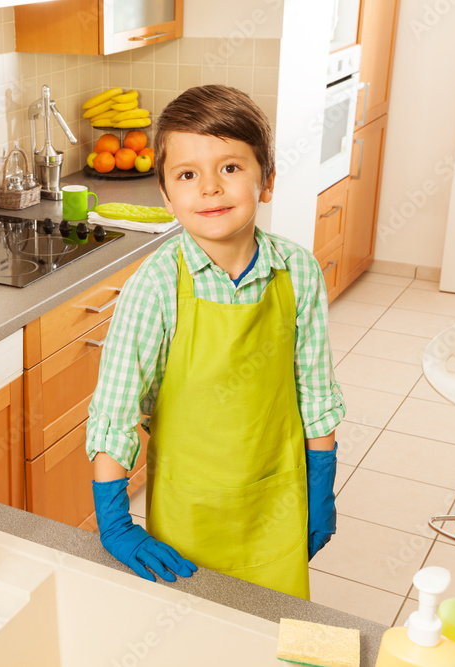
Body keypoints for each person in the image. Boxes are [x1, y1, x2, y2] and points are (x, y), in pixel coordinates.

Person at [86, 85, 345, 600]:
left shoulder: (297, 272)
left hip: (277, 501)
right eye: (187, 174)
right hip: (189, 513)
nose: (209, 188)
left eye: (230, 168)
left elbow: (315, 395)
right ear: (166, 194)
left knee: (271, 637)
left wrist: (320, 489)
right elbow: (115, 410)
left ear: (266, 181)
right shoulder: (156, 285)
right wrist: (114, 522)